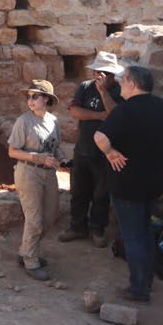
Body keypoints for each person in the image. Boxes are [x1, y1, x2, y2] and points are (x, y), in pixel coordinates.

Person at [94, 63, 163, 303]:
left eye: (123, 81)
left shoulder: (125, 110)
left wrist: (110, 152)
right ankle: (147, 282)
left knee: (133, 236)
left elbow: (99, 136)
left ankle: (139, 289)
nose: (121, 85)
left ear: (132, 84)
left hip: (126, 184)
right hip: (153, 181)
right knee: (145, 233)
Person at [59, 49, 123, 246]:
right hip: (84, 148)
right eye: (97, 72)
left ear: (113, 75)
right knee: (78, 191)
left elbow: (116, 115)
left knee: (101, 193)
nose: (100, 76)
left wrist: (104, 93)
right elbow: (74, 110)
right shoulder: (85, 87)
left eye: (105, 73)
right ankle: (77, 226)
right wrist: (98, 115)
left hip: (106, 153)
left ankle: (97, 229)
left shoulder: (119, 91)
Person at [7, 78, 62, 281]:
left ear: (46, 99)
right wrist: (37, 157)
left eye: (35, 96)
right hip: (28, 172)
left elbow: (56, 146)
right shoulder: (23, 121)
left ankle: (25, 251)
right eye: (28, 96)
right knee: (34, 219)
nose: (30, 100)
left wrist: (62, 159)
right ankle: (31, 261)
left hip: (48, 173)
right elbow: (12, 151)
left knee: (50, 216)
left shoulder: (53, 121)